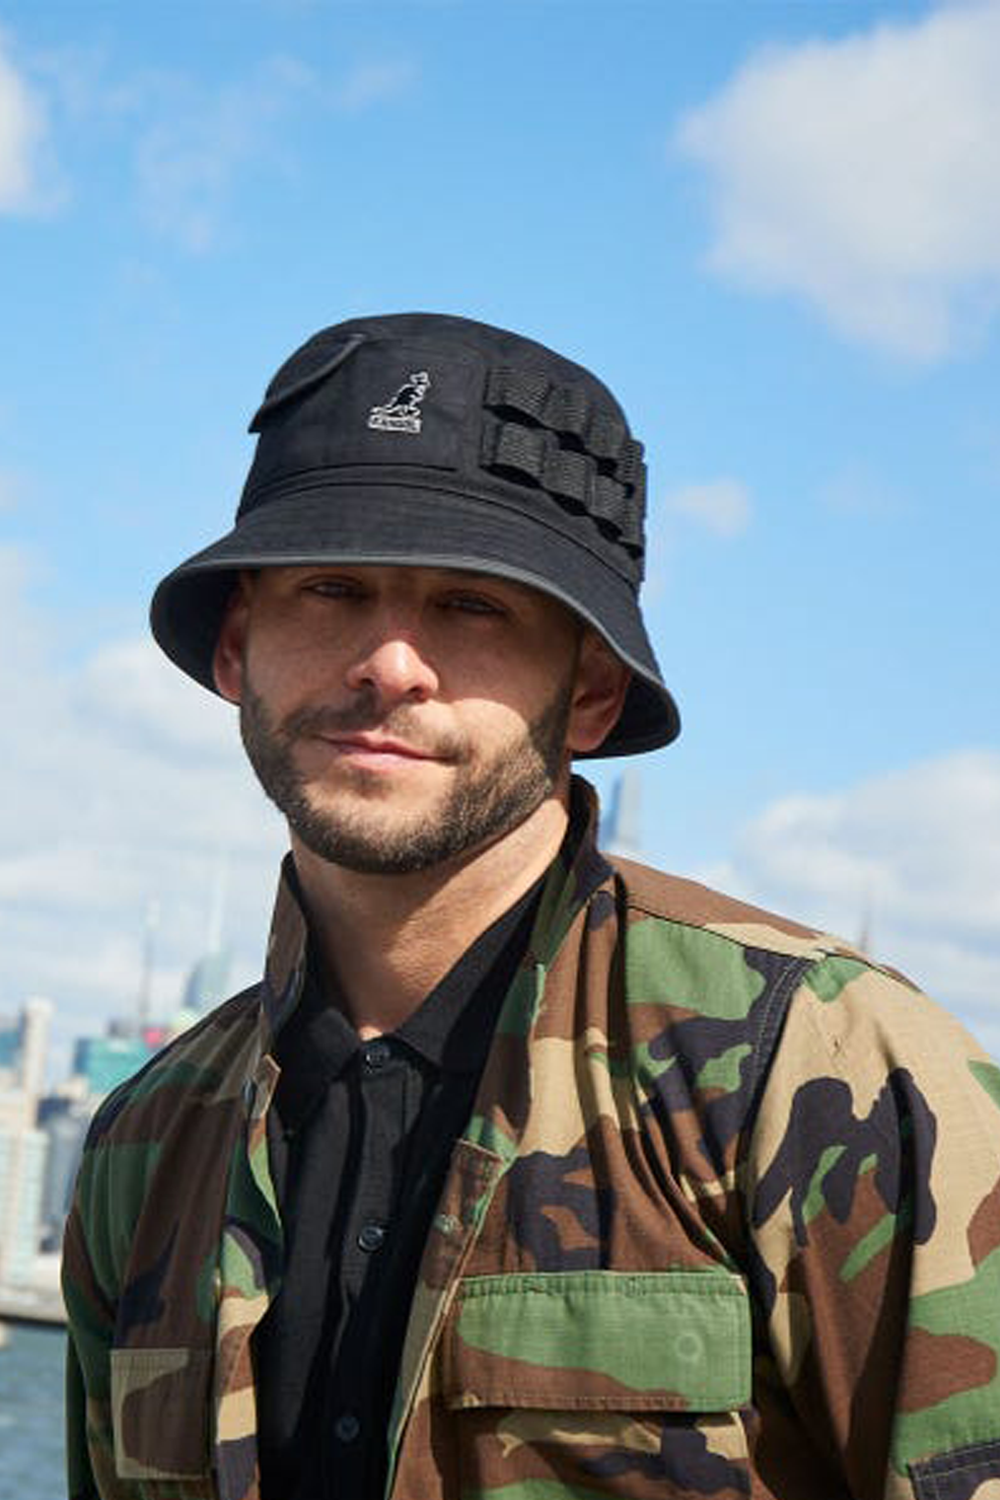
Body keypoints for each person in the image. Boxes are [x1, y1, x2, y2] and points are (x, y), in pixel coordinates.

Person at [63, 312, 1000, 1500]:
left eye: (473, 606)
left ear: (592, 692)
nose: (389, 662)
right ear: (237, 649)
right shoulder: (150, 1141)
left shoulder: (814, 1062)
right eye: (332, 587)